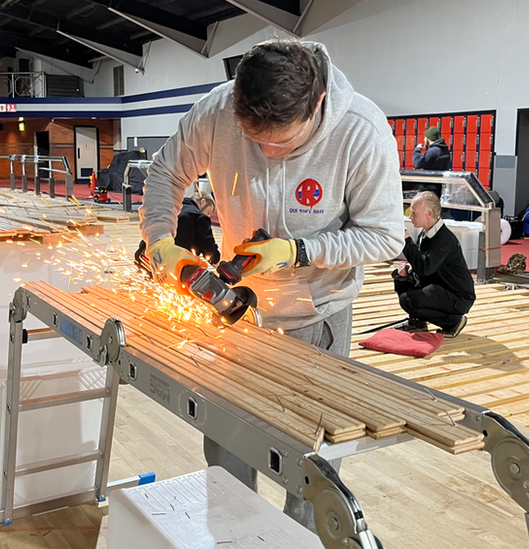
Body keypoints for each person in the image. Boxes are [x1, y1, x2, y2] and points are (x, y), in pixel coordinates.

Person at [138, 38, 404, 530]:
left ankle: (301, 539)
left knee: (311, 455)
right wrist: (160, 240)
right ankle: (233, 534)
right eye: (252, 138)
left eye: (280, 143)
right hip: (238, 311)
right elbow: (164, 172)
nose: (264, 151)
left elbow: (386, 236)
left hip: (316, 312)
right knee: (226, 438)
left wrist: (300, 250)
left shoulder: (362, 132)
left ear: (317, 102)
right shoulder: (217, 109)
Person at [392, 191, 474, 337]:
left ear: (429, 214)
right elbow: (424, 264)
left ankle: (453, 322)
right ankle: (417, 321)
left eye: (414, 213)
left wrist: (407, 241)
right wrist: (408, 269)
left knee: (408, 299)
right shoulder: (426, 233)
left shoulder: (443, 239)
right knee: (401, 278)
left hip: (457, 296)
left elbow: (425, 268)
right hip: (440, 287)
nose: (410, 217)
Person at [136, 190, 221, 267]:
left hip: (144, 258)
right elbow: (208, 247)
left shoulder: (170, 206)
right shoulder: (199, 217)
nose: (207, 216)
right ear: (203, 202)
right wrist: (217, 261)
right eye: (208, 212)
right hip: (171, 265)